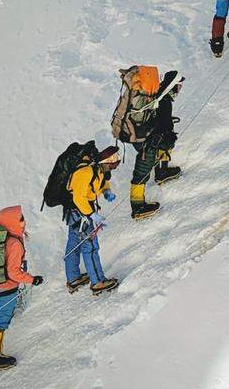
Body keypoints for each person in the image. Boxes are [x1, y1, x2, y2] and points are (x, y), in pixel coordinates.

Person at [0, 206, 42, 371]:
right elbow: (13, 273)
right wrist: (32, 279)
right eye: (20, 219)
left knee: (3, 316)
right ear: (12, 222)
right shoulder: (14, 243)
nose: (23, 222)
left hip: (2, 285)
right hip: (7, 287)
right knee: (1, 320)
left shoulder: (7, 238)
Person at [64, 145, 122, 296]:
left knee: (74, 244)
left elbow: (99, 182)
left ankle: (73, 278)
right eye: (112, 165)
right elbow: (78, 197)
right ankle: (97, 282)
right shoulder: (86, 172)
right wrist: (91, 215)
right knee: (90, 247)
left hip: (76, 213)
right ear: (105, 162)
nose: (113, 168)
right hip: (81, 213)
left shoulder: (97, 169)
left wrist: (106, 190)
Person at [129, 69, 185, 220]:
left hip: (141, 136)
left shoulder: (158, 95)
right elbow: (163, 125)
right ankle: (137, 207)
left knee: (145, 166)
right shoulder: (164, 100)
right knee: (142, 171)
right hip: (146, 140)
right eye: (179, 86)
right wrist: (169, 137)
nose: (180, 89)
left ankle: (161, 172)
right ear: (173, 85)